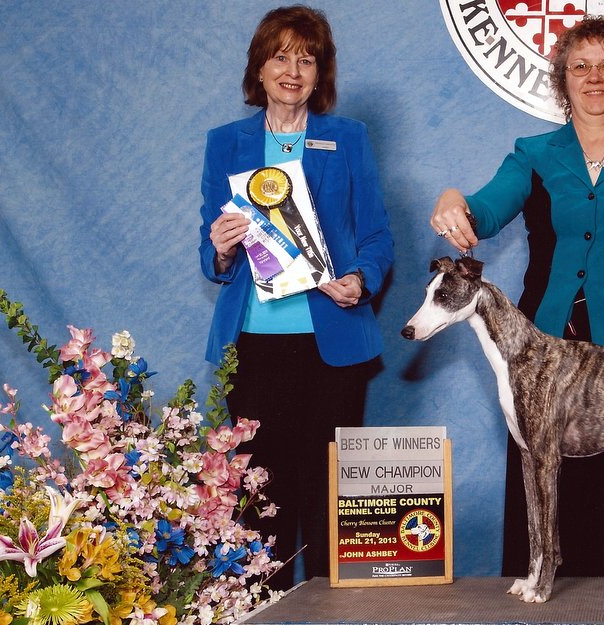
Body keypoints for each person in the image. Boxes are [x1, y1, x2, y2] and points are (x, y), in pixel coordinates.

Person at [430, 17, 604, 577]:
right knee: (540, 502)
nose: (593, 78)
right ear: (563, 79)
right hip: (541, 356)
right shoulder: (533, 154)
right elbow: (484, 209)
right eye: (580, 66)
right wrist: (455, 200)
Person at [198, 5, 393, 589]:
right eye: (280, 57)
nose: (292, 70)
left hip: (331, 343)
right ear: (258, 69)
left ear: (320, 73)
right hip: (253, 347)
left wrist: (360, 278)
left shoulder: (348, 137)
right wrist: (222, 247)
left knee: (331, 495)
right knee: (260, 495)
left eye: (306, 59)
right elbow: (211, 252)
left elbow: (378, 236)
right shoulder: (225, 143)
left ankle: (335, 608)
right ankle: (267, 604)